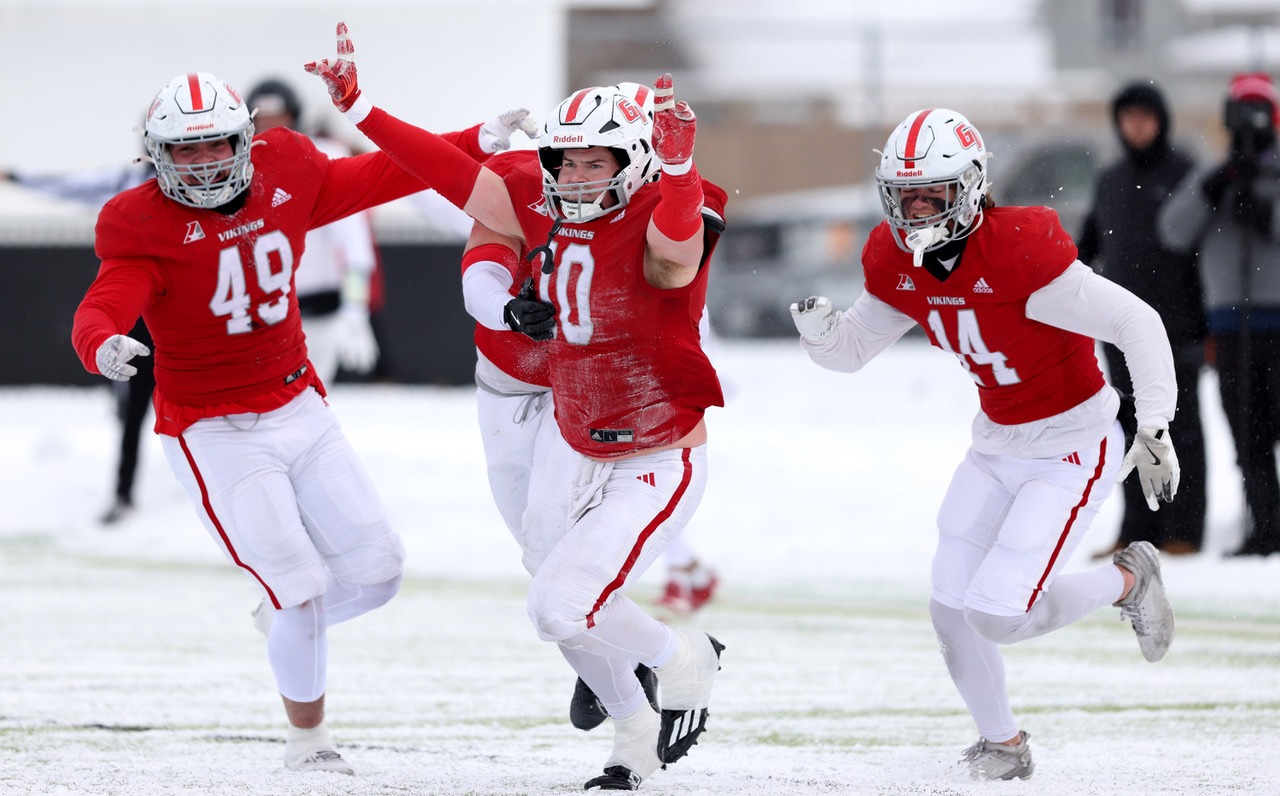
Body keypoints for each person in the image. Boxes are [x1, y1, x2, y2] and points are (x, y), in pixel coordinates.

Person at [306, 24, 727, 790]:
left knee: (563, 600)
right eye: (562, 159)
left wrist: (681, 167)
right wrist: (363, 108)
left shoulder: (667, 213)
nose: (569, 176)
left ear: (638, 161)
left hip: (651, 441)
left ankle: (678, 660)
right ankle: (632, 730)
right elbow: (446, 174)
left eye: (592, 161)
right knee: (549, 590)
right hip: (573, 418)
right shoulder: (541, 192)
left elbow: (673, 246)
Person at [70, 70, 493, 774]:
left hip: (299, 402)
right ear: (156, 154)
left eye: (215, 146)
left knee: (380, 573)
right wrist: (100, 341)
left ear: (245, 141)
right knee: (300, 586)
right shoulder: (137, 221)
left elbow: (385, 173)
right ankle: (309, 742)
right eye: (185, 151)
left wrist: (477, 138)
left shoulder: (287, 170)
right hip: (213, 429)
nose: (203, 163)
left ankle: (285, 621)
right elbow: (106, 299)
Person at [790, 108, 1179, 780]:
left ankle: (1127, 578)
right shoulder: (895, 258)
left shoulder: (1019, 248)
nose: (916, 208)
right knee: (950, 607)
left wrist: (1155, 424)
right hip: (996, 443)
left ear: (968, 187)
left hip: (1071, 445)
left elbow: (1134, 321)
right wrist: (822, 336)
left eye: (932, 193)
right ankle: (1004, 744)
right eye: (904, 194)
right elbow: (851, 354)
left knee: (998, 614)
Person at [1077, 81, 1208, 557]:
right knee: (1131, 425)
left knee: (1180, 426)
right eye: (1128, 116)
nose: (1137, 125)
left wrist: (1205, 321)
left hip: (1178, 326)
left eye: (1145, 116)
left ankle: (1185, 530)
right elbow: (1085, 247)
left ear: (1161, 120)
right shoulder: (1109, 179)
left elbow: (1201, 251)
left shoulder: (1187, 173)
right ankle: (1138, 530)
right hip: (1117, 329)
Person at [1159, 72, 1280, 557]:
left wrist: (1265, 214)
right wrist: (1214, 188)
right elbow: (1171, 232)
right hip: (1231, 327)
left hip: (1278, 323)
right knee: (1247, 432)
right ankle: (1264, 525)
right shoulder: (1214, 177)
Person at [2, 161, 157, 525]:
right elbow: (72, 185)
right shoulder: (129, 185)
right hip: (139, 314)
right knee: (133, 409)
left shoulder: (221, 184)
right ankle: (124, 494)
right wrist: (20, 176)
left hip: (192, 316)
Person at [244, 78, 379, 387]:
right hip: (258, 315)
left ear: (295, 117)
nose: (272, 127)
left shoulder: (321, 156)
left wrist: (355, 307)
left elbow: (353, 241)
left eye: (279, 118)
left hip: (318, 310)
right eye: (263, 119)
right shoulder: (237, 166)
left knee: (309, 401)